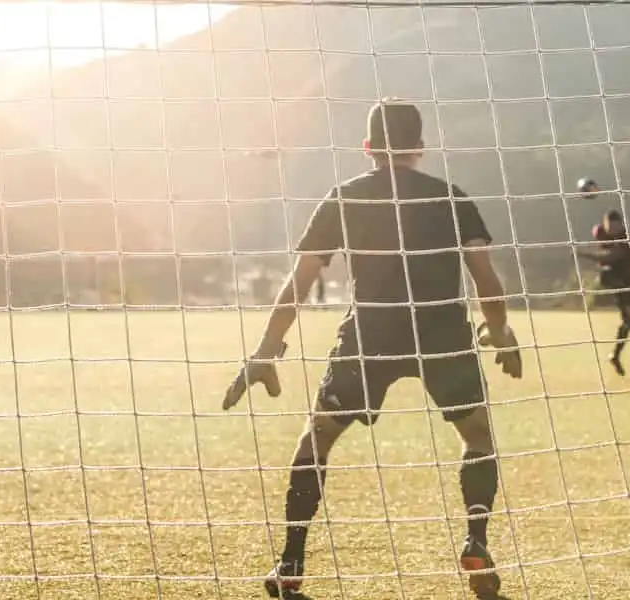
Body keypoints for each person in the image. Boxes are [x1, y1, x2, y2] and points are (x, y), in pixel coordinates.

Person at [221, 99, 523, 599]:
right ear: (420, 149)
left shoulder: (345, 198)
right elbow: (486, 279)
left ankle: (291, 563)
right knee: (476, 437)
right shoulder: (450, 198)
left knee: (317, 441)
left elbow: (298, 282)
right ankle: (476, 541)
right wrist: (501, 331)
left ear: (367, 148)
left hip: (370, 335)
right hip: (442, 332)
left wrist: (267, 349)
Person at [581, 209, 630, 377]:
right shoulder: (602, 233)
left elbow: (612, 256)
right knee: (606, 274)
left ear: (620, 225)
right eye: (609, 226)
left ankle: (615, 355)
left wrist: (584, 254)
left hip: (625, 280)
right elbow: (605, 260)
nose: (611, 230)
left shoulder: (626, 236)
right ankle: (627, 316)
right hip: (610, 277)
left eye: (614, 226)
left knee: (626, 325)